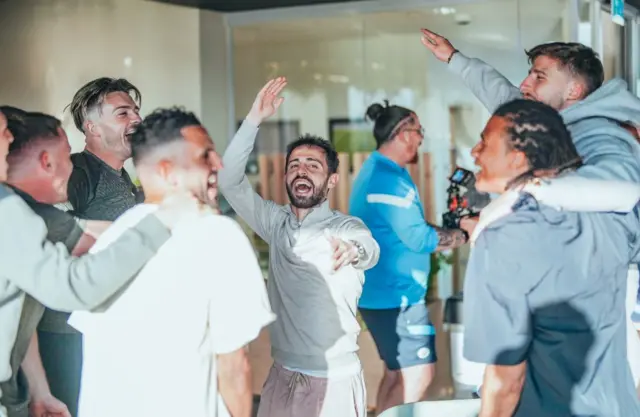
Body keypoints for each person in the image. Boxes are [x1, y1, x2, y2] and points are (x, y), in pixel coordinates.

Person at [421, 31, 640, 386]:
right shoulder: (550, 124)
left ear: (573, 91)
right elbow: (504, 96)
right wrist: (454, 58)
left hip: (604, 293)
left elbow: (622, 189)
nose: (525, 83)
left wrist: (521, 197)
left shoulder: (602, 133)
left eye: (539, 76)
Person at [68, 107, 274, 417]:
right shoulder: (216, 234)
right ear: (167, 172)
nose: (218, 164)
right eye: (206, 156)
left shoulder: (114, 235)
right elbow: (234, 368)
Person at [0, 106, 197, 417]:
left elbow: (94, 235)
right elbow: (74, 286)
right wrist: (164, 219)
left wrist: (39, 390)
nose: (8, 139)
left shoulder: (28, 210)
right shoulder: (8, 212)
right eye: (2, 134)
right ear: (47, 162)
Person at [463, 98, 640, 417]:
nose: (474, 152)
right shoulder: (614, 220)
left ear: (518, 159)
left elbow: (506, 380)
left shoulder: (502, 239)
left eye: (484, 142)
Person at [219, 77, 380, 417]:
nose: (301, 171)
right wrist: (253, 120)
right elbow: (228, 181)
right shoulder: (275, 223)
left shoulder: (344, 226)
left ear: (331, 179)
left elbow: (368, 248)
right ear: (285, 177)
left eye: (313, 165)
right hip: (281, 375)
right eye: (294, 165)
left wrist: (354, 251)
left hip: (333, 379)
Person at [349, 101, 469, 415]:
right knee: (419, 374)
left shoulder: (379, 171)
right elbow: (420, 238)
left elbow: (408, 228)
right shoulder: (388, 180)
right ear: (402, 132)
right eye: (418, 131)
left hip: (385, 296)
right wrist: (466, 233)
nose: (421, 139)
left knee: (396, 375)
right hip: (396, 297)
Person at [1, 108, 105, 417]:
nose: (72, 167)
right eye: (67, 156)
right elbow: (105, 240)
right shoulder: (21, 214)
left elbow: (18, 306)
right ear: (46, 161)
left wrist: (40, 390)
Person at [65, 77, 144, 221]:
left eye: (136, 112)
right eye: (122, 113)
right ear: (93, 128)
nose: (138, 119)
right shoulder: (73, 172)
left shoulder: (123, 178)